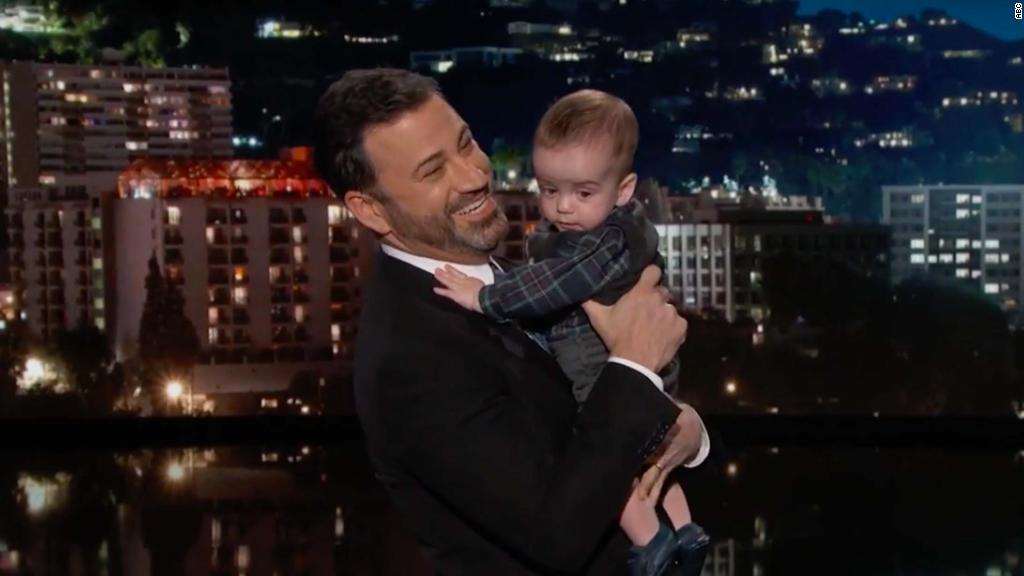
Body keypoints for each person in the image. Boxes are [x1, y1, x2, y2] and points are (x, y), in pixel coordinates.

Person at [313, 68, 710, 575]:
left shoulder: (522, 278)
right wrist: (635, 364)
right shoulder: (408, 359)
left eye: (466, 143)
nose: (473, 175)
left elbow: (603, 424)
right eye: (433, 171)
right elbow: (555, 532)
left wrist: (691, 437)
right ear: (370, 210)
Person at [432, 89, 708, 576]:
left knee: (616, 466)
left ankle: (653, 544)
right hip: (641, 369)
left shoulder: (597, 245)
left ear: (623, 190)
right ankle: (685, 530)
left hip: (600, 368)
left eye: (582, 193)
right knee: (651, 460)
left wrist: (485, 298)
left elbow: (553, 285)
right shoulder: (616, 230)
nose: (562, 207)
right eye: (549, 189)